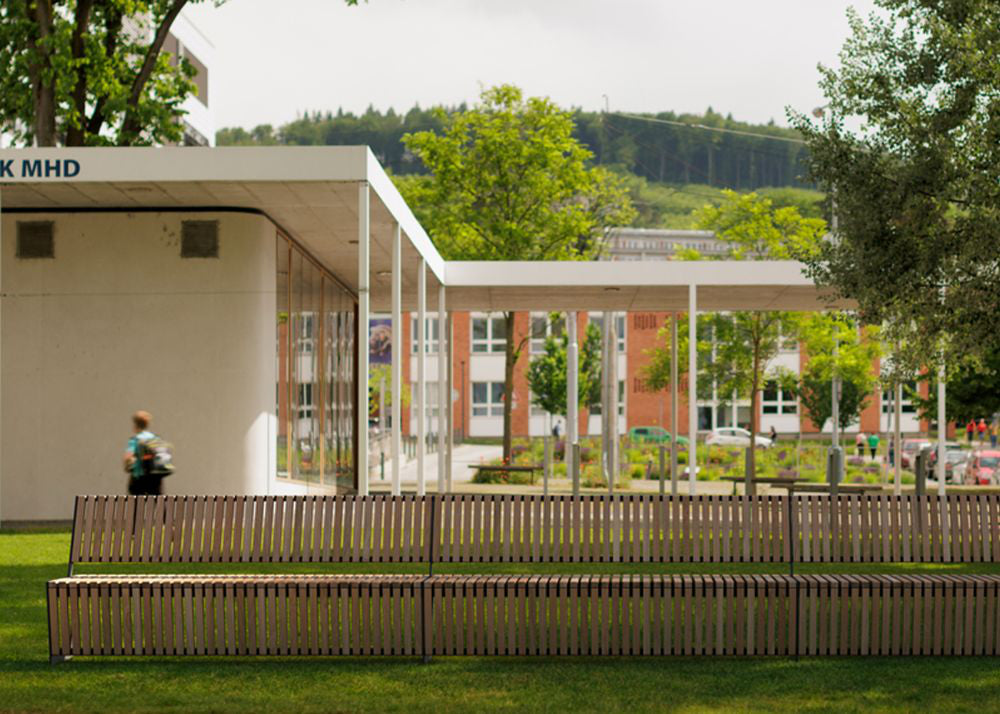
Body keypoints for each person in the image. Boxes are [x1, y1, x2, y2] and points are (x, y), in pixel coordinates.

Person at [123, 410, 165, 496]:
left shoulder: (135, 440)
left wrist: (127, 466)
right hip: (155, 479)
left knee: (136, 505)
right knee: (157, 504)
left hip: (139, 479)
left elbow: (128, 458)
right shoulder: (156, 438)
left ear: (135, 425)